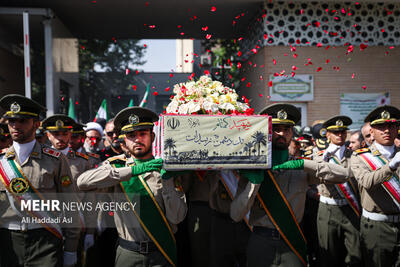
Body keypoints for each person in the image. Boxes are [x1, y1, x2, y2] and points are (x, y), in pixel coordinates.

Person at [230, 103, 352, 267]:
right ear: (267, 132)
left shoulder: (301, 166)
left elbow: (344, 174)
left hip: (292, 241)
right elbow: (236, 214)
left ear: (292, 133)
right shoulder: (254, 168)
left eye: (286, 129)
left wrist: (303, 164)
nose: (281, 133)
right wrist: (254, 183)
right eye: (276, 128)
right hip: (261, 241)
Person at [77, 106, 187, 267]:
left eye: (143, 134)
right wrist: (133, 170)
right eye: (131, 135)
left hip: (162, 252)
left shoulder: (165, 167)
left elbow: (177, 217)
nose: (137, 139)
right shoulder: (117, 165)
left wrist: (168, 182)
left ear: (153, 136)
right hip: (129, 254)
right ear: (124, 140)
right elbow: (83, 182)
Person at [0, 94, 81, 267]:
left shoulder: (55, 159)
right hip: (7, 240)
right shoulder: (1, 162)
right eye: (11, 121)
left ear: (36, 124)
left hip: (45, 239)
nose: (15, 126)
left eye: (22, 120)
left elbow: (70, 205)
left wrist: (71, 249)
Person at [42, 114, 96, 267]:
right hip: (47, 225)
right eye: (55, 134)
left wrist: (90, 231)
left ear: (71, 134)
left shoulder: (82, 161)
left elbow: (89, 198)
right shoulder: (40, 159)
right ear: (48, 135)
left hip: (75, 224)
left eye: (64, 133)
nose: (60, 138)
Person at [350, 105, 400, 267]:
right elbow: (366, 182)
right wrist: (391, 166)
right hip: (377, 227)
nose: (387, 130)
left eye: (391, 126)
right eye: (381, 126)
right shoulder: (361, 157)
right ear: (371, 131)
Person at [315, 116, 362, 267]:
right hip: (328, 208)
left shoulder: (354, 155)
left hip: (350, 207)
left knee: (355, 255)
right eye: (335, 132)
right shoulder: (320, 157)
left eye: (342, 132)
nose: (340, 135)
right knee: (329, 255)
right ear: (327, 134)